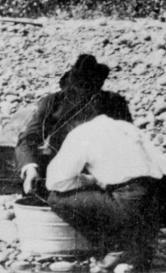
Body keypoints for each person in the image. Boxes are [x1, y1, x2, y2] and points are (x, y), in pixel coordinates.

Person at [45, 114, 166, 269]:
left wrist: (90, 180)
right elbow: (164, 168)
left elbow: (56, 182)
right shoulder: (127, 128)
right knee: (131, 198)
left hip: (133, 203)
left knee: (56, 198)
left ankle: (117, 246)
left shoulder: (81, 133)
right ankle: (143, 242)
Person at [16, 54, 132, 195]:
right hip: (64, 174)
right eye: (79, 88)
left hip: (103, 176)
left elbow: (129, 144)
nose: (83, 94)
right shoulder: (53, 102)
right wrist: (30, 168)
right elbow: (28, 139)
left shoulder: (114, 103)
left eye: (88, 89)